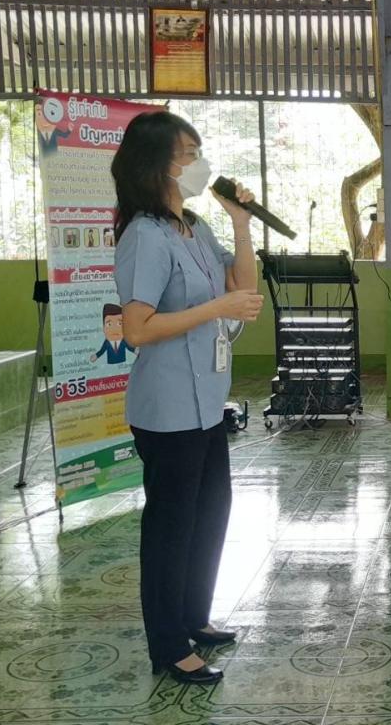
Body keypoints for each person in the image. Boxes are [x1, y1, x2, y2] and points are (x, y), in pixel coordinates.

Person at [112, 111, 264, 685]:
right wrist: (215, 310)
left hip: (207, 401)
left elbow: (241, 289)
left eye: (199, 150)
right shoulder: (143, 237)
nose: (198, 163)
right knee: (171, 526)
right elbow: (138, 329)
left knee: (211, 514)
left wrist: (241, 224)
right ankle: (168, 645)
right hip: (167, 406)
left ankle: (195, 617)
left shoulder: (195, 228)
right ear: (157, 165)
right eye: (187, 153)